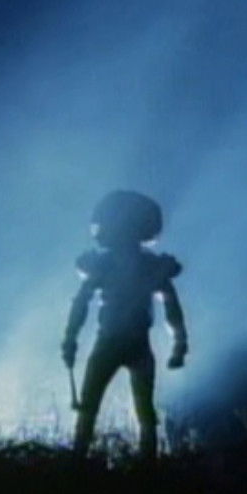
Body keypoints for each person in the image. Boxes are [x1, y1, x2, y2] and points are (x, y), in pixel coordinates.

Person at [62, 190, 187, 463]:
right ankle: (144, 466)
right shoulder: (150, 266)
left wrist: (70, 338)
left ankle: (79, 461)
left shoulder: (106, 265)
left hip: (112, 342)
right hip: (132, 343)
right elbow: (171, 305)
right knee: (140, 412)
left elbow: (81, 302)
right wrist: (179, 344)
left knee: (93, 408)